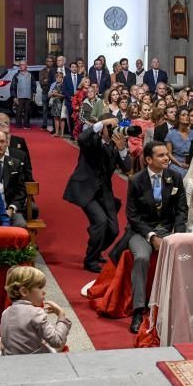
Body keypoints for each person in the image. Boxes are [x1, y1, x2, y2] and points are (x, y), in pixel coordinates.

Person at [124, 141, 187, 333]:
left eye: (167, 154)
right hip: (142, 231)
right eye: (161, 156)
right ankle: (138, 310)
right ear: (149, 159)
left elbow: (182, 210)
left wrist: (178, 234)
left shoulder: (175, 177)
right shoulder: (136, 181)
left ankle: (176, 306)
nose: (166, 158)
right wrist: (151, 237)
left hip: (168, 230)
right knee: (142, 258)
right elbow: (132, 216)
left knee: (182, 257)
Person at [64, 117, 132, 273]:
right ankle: (90, 259)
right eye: (111, 127)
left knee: (113, 230)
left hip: (104, 192)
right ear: (103, 128)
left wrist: (122, 149)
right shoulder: (92, 142)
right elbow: (82, 138)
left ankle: (97, 247)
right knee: (100, 222)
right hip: (86, 188)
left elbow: (127, 167)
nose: (113, 130)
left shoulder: (116, 146)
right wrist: (102, 122)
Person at [0, 266, 72, 356]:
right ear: (24, 291)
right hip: (33, 362)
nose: (44, 292)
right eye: (40, 287)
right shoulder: (36, 313)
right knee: (60, 341)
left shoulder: (6, 312)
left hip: (9, 360)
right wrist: (61, 315)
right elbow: (57, 341)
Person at [0, 130, 27, 227]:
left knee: (21, 225)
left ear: (7, 143)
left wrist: (11, 209)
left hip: (10, 209)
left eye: (2, 141)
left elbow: (21, 192)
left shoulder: (15, 164)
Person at [165, 107, 193, 177]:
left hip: (191, 163)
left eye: (187, 115)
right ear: (178, 118)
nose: (186, 117)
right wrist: (179, 164)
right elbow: (169, 153)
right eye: (183, 115)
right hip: (176, 163)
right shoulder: (171, 134)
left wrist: (191, 164)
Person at [10, 61, 37, 129]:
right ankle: (18, 124)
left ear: (26, 65)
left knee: (27, 111)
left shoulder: (30, 74)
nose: (21, 66)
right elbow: (13, 86)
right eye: (20, 65)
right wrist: (14, 97)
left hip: (28, 96)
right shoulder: (16, 75)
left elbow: (33, 85)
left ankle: (26, 124)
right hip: (19, 96)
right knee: (18, 111)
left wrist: (33, 94)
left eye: (23, 65)